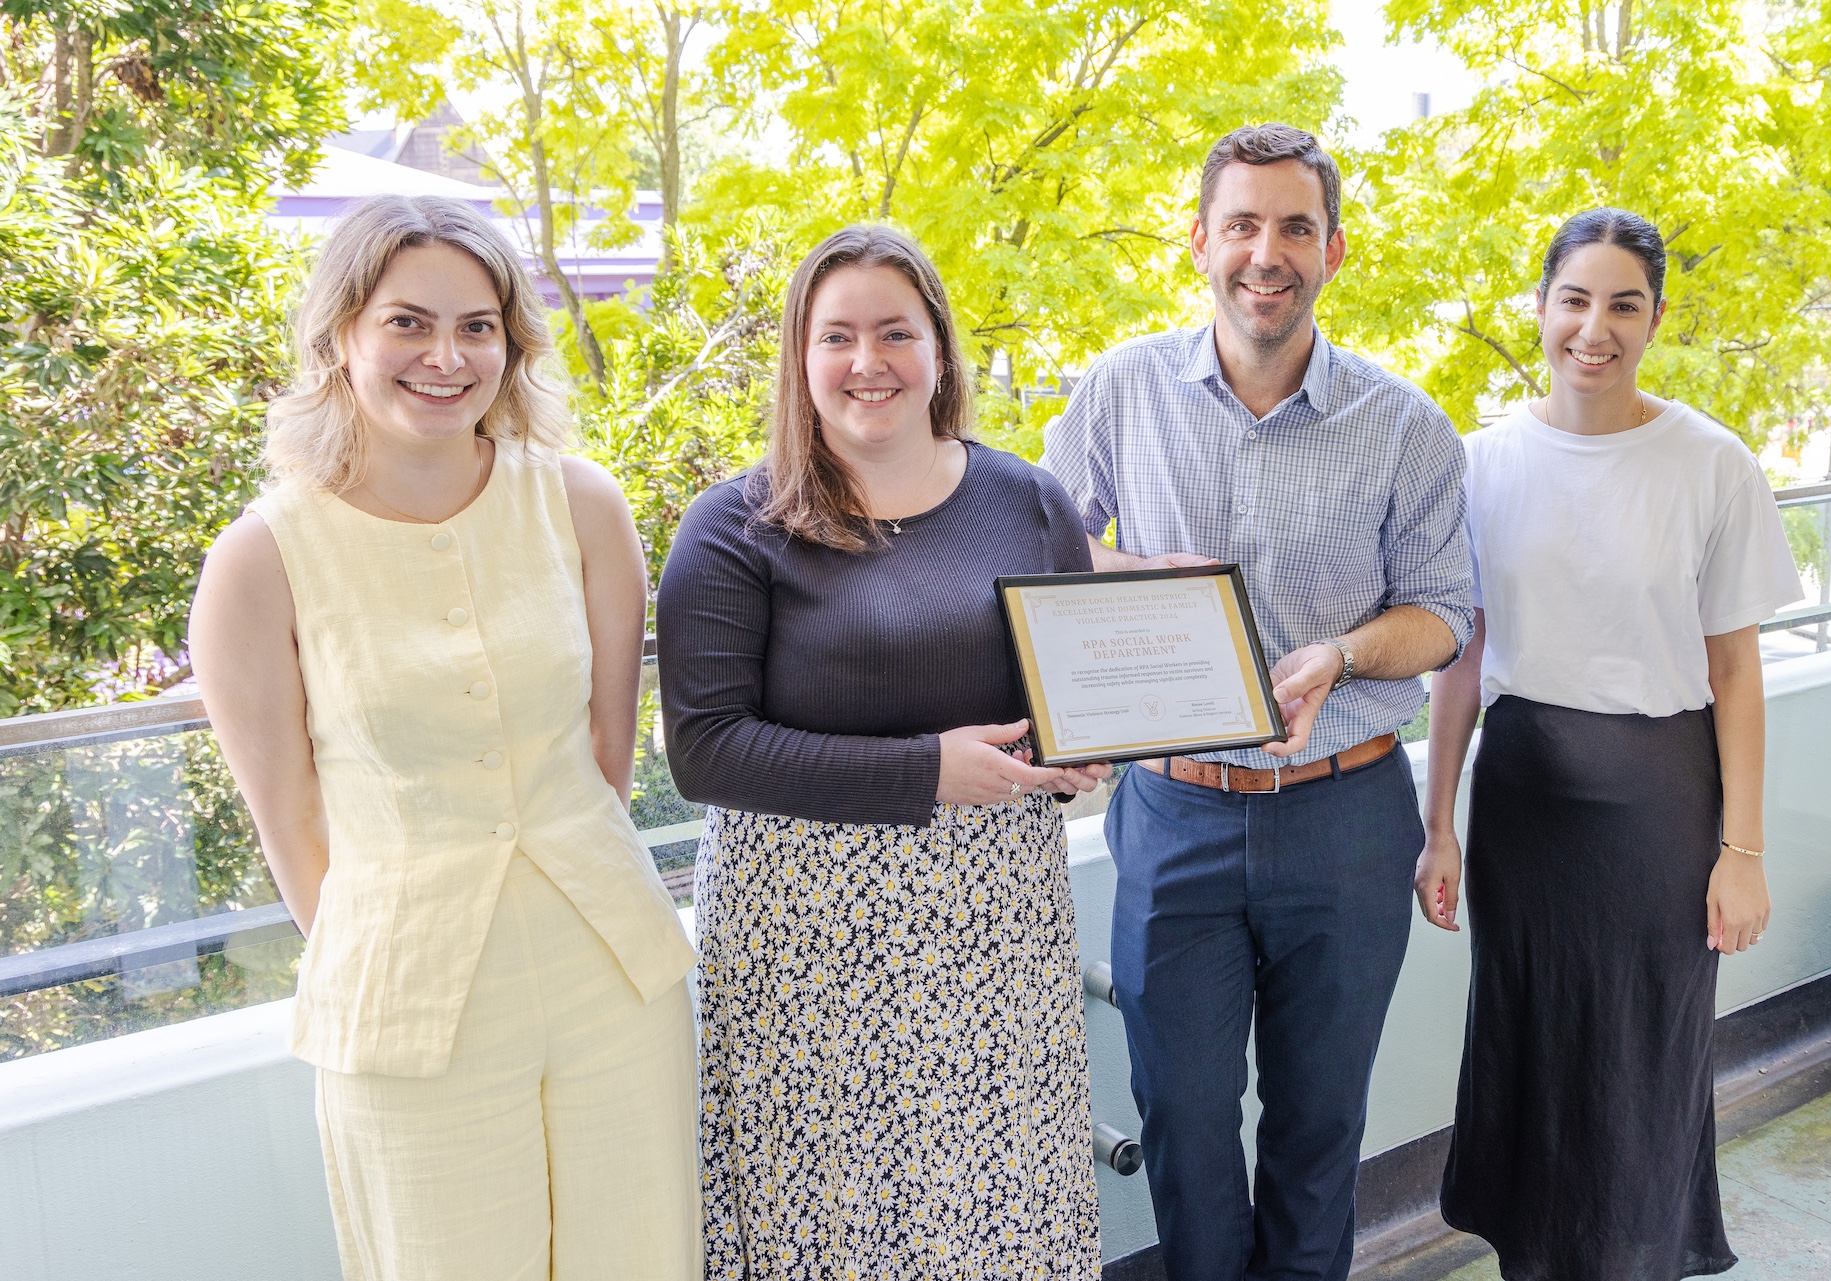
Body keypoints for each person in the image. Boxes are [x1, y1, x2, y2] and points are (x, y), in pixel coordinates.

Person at [188, 195, 699, 1281]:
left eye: (478, 325)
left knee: (646, 1258)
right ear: (341, 335)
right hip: (406, 1001)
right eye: (407, 322)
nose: (446, 355)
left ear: (512, 345)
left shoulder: (581, 504)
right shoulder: (259, 557)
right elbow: (289, 823)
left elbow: (610, 752)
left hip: (614, 968)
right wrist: (398, 946)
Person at [1041, 124, 1474, 1279]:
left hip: (1345, 815)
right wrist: (1143, 577)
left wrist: (1343, 652)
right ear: (1200, 242)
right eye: (1241, 224)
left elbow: (1445, 612)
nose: (1265, 253)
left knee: (1318, 1127)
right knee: (1181, 1120)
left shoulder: (1404, 425)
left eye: (1294, 227)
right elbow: (1041, 551)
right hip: (1174, 814)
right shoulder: (1120, 389)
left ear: (1334, 250)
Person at [656, 224, 1106, 1277]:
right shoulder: (733, 526)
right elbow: (706, 752)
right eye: (839, 336)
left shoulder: (1031, 500)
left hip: (996, 930)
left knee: (1001, 1206)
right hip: (806, 950)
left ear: (940, 349)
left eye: (897, 333)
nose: (869, 363)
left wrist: (1086, 753)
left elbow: (1070, 691)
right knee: (832, 1225)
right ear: (800, 358)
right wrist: (923, 772)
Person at [1419, 207, 1802, 1280]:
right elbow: (1462, 656)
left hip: (1661, 804)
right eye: (1575, 299)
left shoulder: (1710, 464)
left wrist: (1744, 850)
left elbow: (1736, 673)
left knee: (1643, 1057)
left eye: (1624, 305)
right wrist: (1437, 826)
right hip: (1522, 801)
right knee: (1530, 1043)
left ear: (1656, 319)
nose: (1596, 327)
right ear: (1539, 309)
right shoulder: (1480, 461)